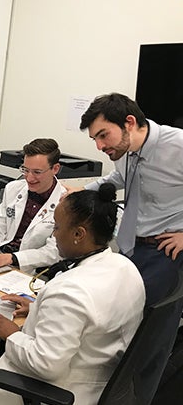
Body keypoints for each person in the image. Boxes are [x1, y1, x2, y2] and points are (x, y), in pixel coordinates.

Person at [0, 183, 145, 404]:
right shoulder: (125, 266)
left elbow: (45, 366)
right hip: (104, 377)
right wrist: (37, 306)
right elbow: (93, 313)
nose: (54, 234)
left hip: (61, 389)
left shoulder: (68, 293)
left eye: (56, 227)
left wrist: (10, 332)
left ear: (78, 234)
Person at [78, 92, 183, 305]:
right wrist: (80, 192)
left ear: (129, 123)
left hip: (166, 250)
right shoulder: (123, 149)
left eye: (103, 135)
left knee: (148, 327)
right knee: (119, 315)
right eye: (95, 139)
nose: (99, 146)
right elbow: (120, 176)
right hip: (132, 245)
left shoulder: (178, 145)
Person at [0, 138, 66, 274]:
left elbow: (54, 251)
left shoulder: (66, 203)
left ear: (55, 169)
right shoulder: (13, 188)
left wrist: (12, 258)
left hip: (29, 269)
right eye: (25, 170)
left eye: (37, 172)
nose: (29, 178)